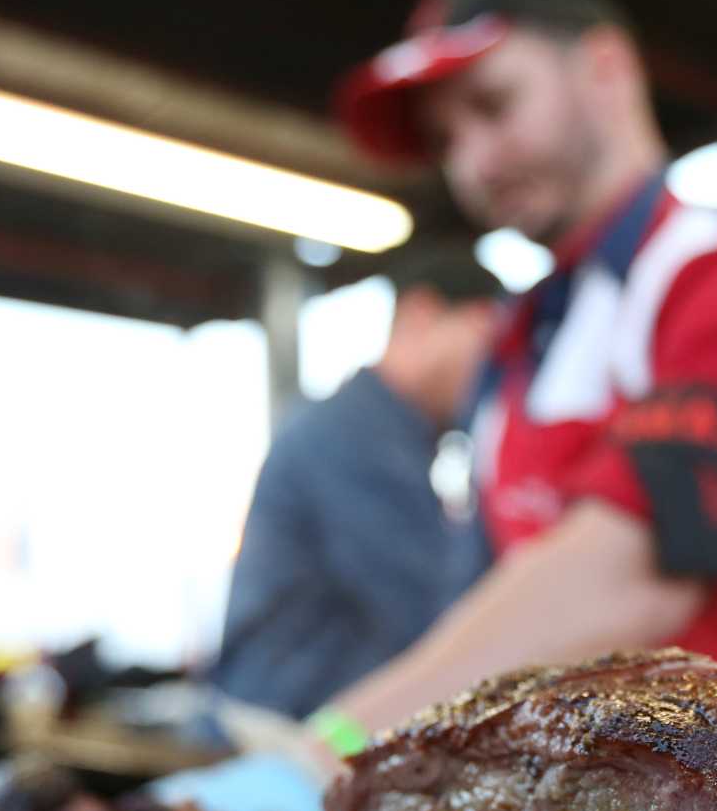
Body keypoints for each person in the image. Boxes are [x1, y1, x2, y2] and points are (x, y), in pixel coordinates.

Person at [292, 0, 717, 771]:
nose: (474, 161)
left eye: (495, 105)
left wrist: (337, 743)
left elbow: (641, 569)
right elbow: (476, 601)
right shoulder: (513, 351)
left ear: (605, 67)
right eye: (446, 138)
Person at [209, 249, 502, 718]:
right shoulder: (351, 437)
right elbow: (436, 610)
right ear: (421, 314)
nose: (500, 371)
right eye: (489, 337)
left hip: (322, 727)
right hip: (292, 734)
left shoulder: (391, 441)